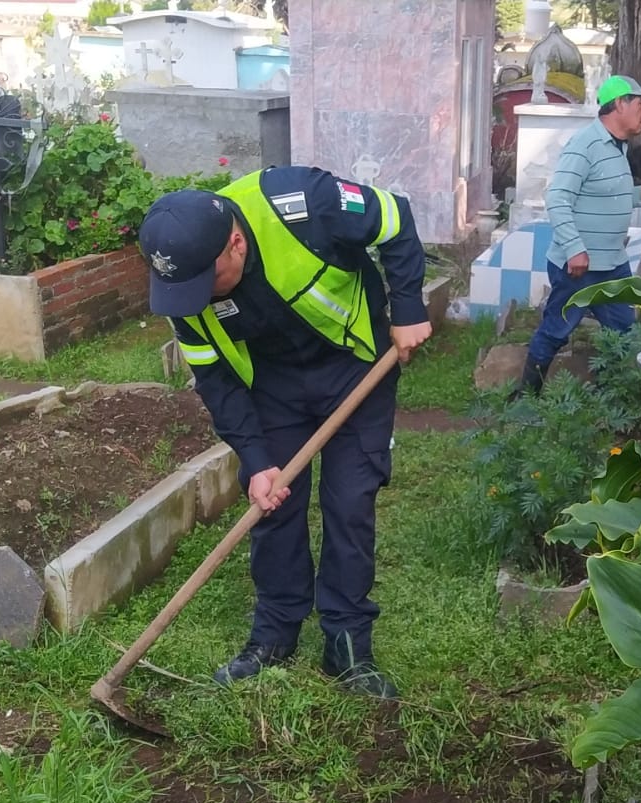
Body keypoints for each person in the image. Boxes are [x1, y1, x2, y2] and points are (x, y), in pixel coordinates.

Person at [139, 166, 433, 699]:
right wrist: (254, 458)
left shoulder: (302, 201)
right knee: (272, 508)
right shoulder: (183, 287)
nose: (197, 300)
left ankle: (346, 645)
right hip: (270, 386)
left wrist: (409, 308)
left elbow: (396, 218)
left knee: (349, 505)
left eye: (209, 284)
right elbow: (214, 378)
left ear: (234, 243)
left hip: (355, 367)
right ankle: (273, 637)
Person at [516, 74, 641, 396]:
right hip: (580, 267)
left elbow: (605, 193)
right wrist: (574, 249)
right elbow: (558, 197)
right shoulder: (585, 145)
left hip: (611, 262)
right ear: (618, 105)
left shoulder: (617, 148)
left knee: (625, 333)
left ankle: (621, 400)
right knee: (557, 329)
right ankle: (525, 397)